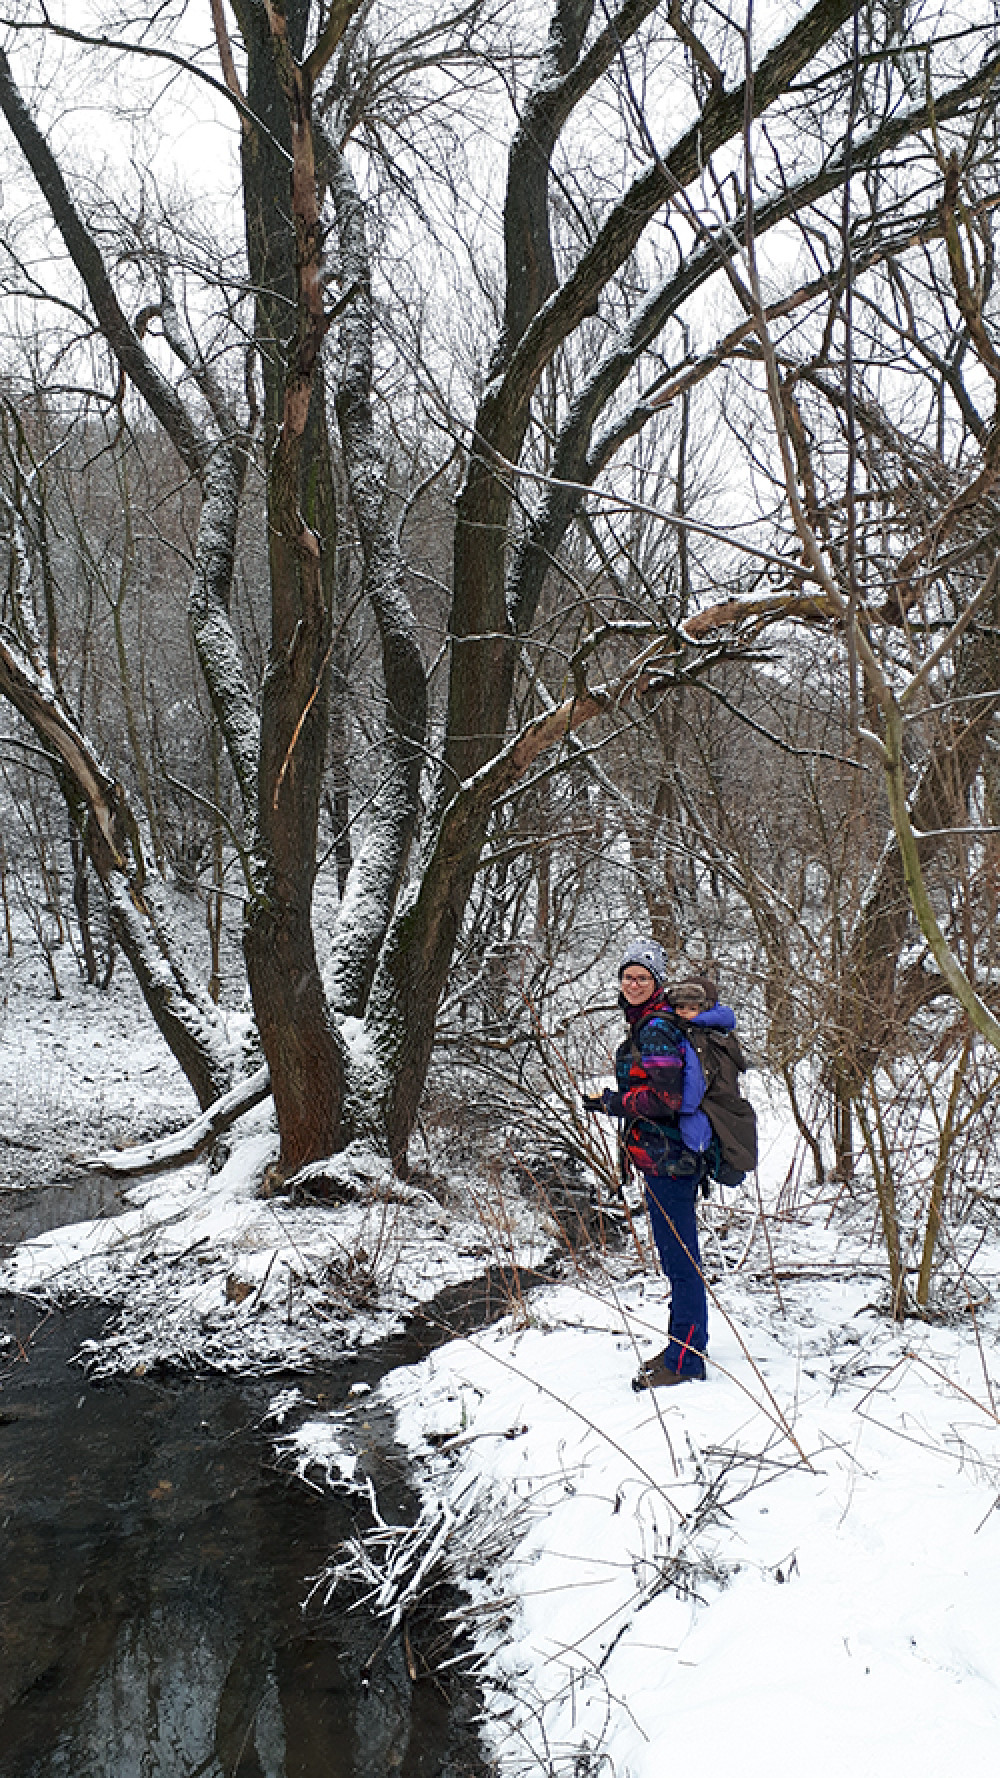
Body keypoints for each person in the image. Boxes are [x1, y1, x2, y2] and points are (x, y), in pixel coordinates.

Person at [584, 940, 738, 1390]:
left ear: (657, 983)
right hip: (664, 1157)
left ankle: (686, 1360)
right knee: (679, 1255)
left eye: (643, 977)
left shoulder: (654, 1029)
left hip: (669, 1160)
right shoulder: (649, 1025)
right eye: (628, 976)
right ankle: (686, 1344)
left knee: (679, 1258)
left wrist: (613, 1103)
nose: (633, 984)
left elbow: (667, 1099)